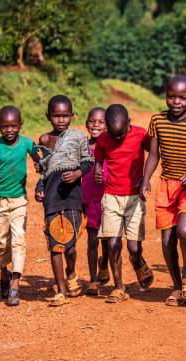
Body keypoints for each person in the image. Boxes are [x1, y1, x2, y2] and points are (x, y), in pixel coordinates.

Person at [141, 75, 186, 306]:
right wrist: (145, 179)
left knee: (184, 231)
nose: (176, 102)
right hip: (166, 185)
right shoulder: (157, 120)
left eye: (183, 98)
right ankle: (176, 287)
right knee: (166, 240)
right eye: (171, 97)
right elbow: (154, 154)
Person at [36, 95, 94, 307]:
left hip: (72, 197)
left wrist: (78, 173)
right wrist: (40, 188)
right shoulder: (43, 141)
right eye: (56, 116)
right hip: (51, 198)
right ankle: (60, 290)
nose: (61, 120)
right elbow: (42, 171)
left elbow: (88, 161)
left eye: (65, 116)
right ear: (48, 116)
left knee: (69, 245)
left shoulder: (79, 137)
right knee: (55, 245)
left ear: (72, 116)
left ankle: (71, 272)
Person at [94, 104, 153, 303]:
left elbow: (154, 153)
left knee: (134, 247)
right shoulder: (103, 139)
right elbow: (98, 163)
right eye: (113, 134)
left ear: (129, 123)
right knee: (112, 243)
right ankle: (119, 287)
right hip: (111, 196)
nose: (117, 139)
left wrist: (145, 178)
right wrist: (97, 171)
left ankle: (138, 263)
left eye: (121, 134)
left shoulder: (140, 135)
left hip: (135, 197)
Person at [0, 105, 40, 306]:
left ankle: (15, 284)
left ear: (20, 125)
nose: (9, 130)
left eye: (13, 126)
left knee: (18, 239)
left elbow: (38, 158)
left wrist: (38, 164)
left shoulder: (26, 142)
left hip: (19, 201)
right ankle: (4, 273)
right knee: (1, 241)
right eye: (5, 126)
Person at [81, 107, 110, 297]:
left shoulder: (111, 146)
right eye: (92, 121)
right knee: (92, 240)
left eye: (101, 122)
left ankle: (104, 264)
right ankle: (92, 280)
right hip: (88, 200)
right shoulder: (82, 146)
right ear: (86, 124)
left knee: (107, 240)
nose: (96, 125)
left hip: (108, 199)